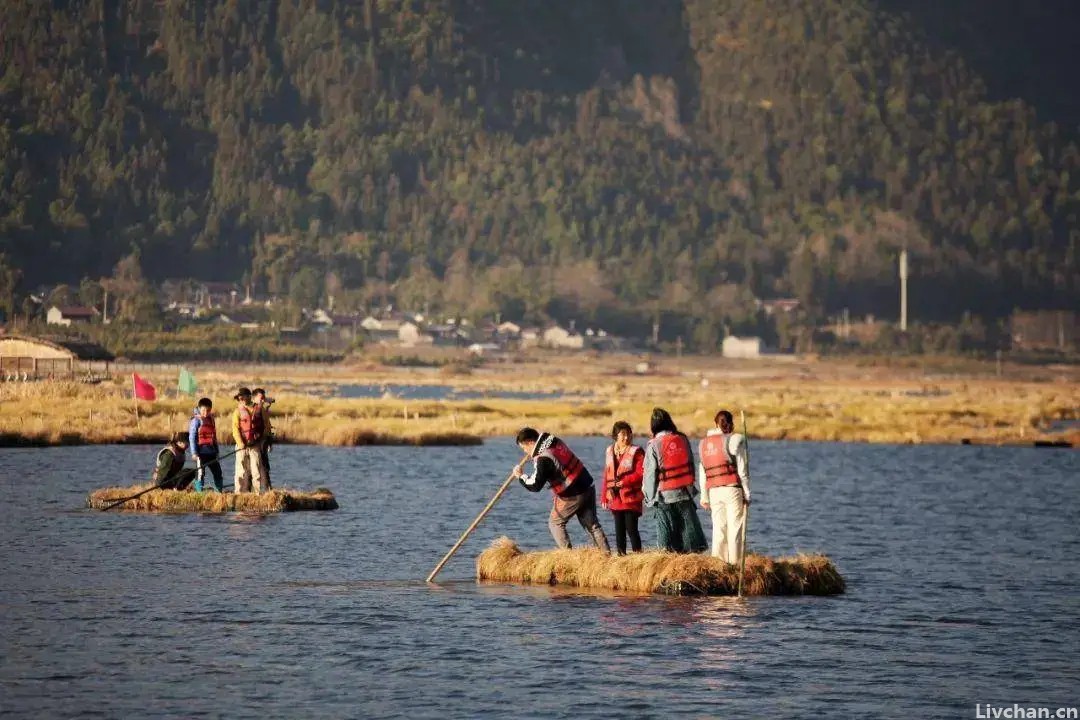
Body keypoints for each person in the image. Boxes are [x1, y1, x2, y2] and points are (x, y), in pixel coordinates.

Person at [513, 427, 610, 552]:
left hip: (573, 494)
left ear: (531, 442)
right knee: (592, 525)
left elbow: (535, 485)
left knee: (555, 523)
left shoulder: (543, 458)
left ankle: (568, 556)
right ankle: (606, 556)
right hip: (587, 484)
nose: (525, 452)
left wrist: (521, 476)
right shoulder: (553, 440)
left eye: (524, 448)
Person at [642, 407, 707, 553]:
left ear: (653, 425)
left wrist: (649, 498)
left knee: (665, 531)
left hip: (664, 496)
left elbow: (650, 474)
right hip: (684, 492)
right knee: (687, 530)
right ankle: (690, 555)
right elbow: (691, 462)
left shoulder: (653, 445)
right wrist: (690, 488)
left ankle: (667, 556)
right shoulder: (682, 439)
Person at [698, 410, 751, 563]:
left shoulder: (704, 444)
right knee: (735, 529)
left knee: (719, 530)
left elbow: (702, 472)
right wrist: (747, 494)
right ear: (731, 424)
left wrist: (704, 496)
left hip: (714, 491)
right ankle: (735, 564)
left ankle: (718, 563)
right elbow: (743, 471)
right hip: (732, 490)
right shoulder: (735, 440)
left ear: (715, 423)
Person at [601, 420, 645, 555]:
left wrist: (625, 482)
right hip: (615, 499)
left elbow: (642, 472)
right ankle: (621, 556)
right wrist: (604, 496)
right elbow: (606, 475)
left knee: (632, 530)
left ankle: (639, 557)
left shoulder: (637, 452)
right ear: (616, 436)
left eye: (629, 434)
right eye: (623, 434)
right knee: (619, 531)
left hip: (631, 498)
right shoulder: (609, 451)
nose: (626, 437)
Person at [231, 387, 267, 494]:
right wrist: (241, 443)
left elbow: (266, 426)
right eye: (239, 398)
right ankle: (238, 493)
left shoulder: (260, 409)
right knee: (240, 471)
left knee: (256, 471)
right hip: (241, 446)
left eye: (242, 397)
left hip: (255, 445)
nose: (241, 399)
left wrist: (263, 441)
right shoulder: (237, 412)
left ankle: (256, 494)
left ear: (249, 397)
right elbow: (235, 430)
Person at [188, 397, 224, 492]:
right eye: (203, 410)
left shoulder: (211, 420)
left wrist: (217, 452)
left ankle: (219, 491)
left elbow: (214, 437)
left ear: (210, 409)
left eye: (208, 410)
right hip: (200, 453)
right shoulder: (196, 421)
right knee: (200, 473)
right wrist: (194, 453)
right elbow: (192, 438)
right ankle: (199, 494)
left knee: (218, 472)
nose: (205, 413)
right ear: (199, 408)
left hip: (211, 452)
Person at [252, 388, 274, 490]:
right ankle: (266, 489)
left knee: (264, 465)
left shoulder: (262, 409)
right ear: (254, 398)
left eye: (263, 398)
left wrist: (269, 442)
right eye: (261, 398)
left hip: (264, 441)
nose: (262, 400)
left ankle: (267, 488)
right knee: (262, 466)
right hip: (258, 441)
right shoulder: (255, 410)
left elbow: (267, 427)